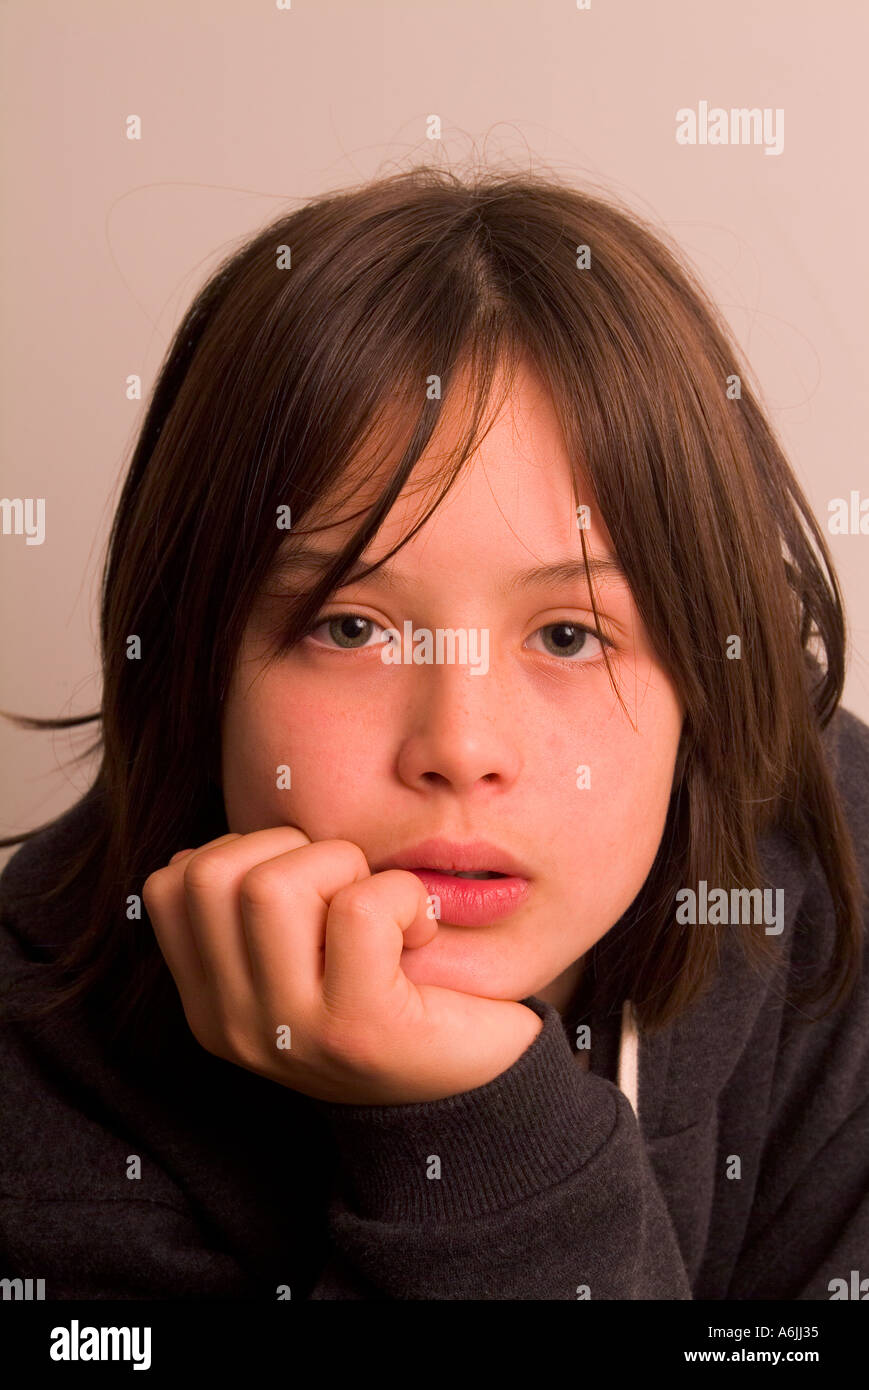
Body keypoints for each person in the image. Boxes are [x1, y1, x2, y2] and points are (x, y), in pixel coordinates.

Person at [1, 165, 866, 1300]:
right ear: (199, 665)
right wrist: (478, 1136)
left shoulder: (830, 866)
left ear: (704, 680)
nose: (459, 746)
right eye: (351, 626)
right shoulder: (42, 1054)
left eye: (566, 635)